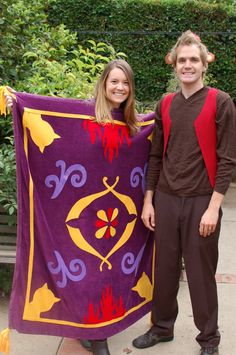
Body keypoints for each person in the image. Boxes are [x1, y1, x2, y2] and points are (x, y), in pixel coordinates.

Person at [4, 59, 144, 355]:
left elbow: (156, 131)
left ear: (131, 89)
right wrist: (17, 100)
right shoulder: (84, 114)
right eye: (114, 81)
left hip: (116, 220)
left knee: (110, 277)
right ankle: (94, 335)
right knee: (88, 277)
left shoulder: (135, 124)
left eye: (125, 83)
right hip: (85, 216)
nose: (119, 87)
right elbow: (47, 114)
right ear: (104, 84)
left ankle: (97, 333)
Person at [132, 30, 236, 355]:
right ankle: (162, 328)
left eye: (194, 60)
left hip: (202, 200)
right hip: (165, 198)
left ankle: (209, 340)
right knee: (163, 270)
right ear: (174, 66)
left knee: (200, 273)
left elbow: (228, 158)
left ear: (205, 65)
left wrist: (213, 207)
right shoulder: (165, 104)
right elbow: (154, 155)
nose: (188, 65)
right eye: (182, 60)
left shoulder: (220, 102)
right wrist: (149, 200)